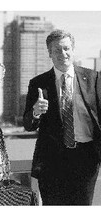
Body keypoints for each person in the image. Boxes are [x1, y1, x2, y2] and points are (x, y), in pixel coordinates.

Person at [23, 29, 101, 205]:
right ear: (50, 53)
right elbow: (28, 124)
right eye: (57, 50)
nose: (63, 54)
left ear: (73, 50)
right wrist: (36, 111)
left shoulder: (94, 78)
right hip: (52, 161)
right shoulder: (38, 83)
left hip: (85, 158)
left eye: (66, 48)